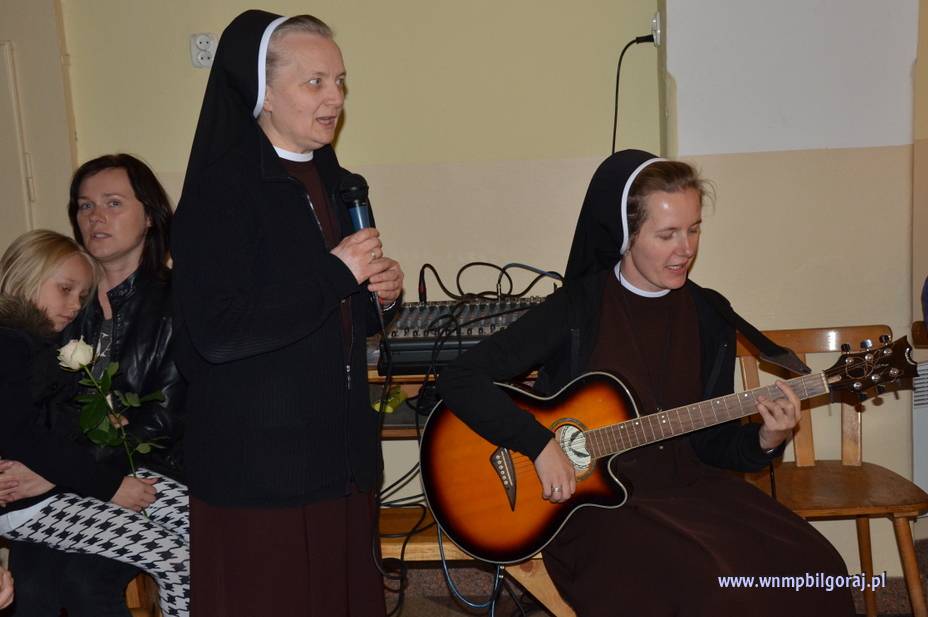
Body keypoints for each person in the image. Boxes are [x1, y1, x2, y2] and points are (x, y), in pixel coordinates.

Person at [437, 150, 855, 617]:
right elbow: (460, 377)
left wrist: (766, 439)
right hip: (593, 507)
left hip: (690, 490)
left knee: (820, 570)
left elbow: (711, 442)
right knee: (718, 593)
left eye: (694, 229)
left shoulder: (708, 314)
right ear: (625, 235)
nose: (686, 249)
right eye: (667, 234)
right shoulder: (577, 308)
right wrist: (538, 444)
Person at [171, 10, 404, 616]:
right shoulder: (220, 194)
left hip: (339, 457)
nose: (335, 98)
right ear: (263, 93)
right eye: (315, 82)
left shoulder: (340, 183)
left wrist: (380, 297)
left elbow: (336, 317)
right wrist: (337, 274)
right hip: (261, 470)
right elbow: (220, 333)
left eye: (340, 81)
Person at [6, 154, 185, 617]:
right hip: (51, 486)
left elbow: (163, 420)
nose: (96, 216)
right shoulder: (50, 298)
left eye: (113, 202)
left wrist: (58, 470)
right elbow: (23, 413)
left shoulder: (181, 299)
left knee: (85, 583)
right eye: (85, 205)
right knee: (33, 585)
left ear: (150, 216)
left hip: (140, 473)